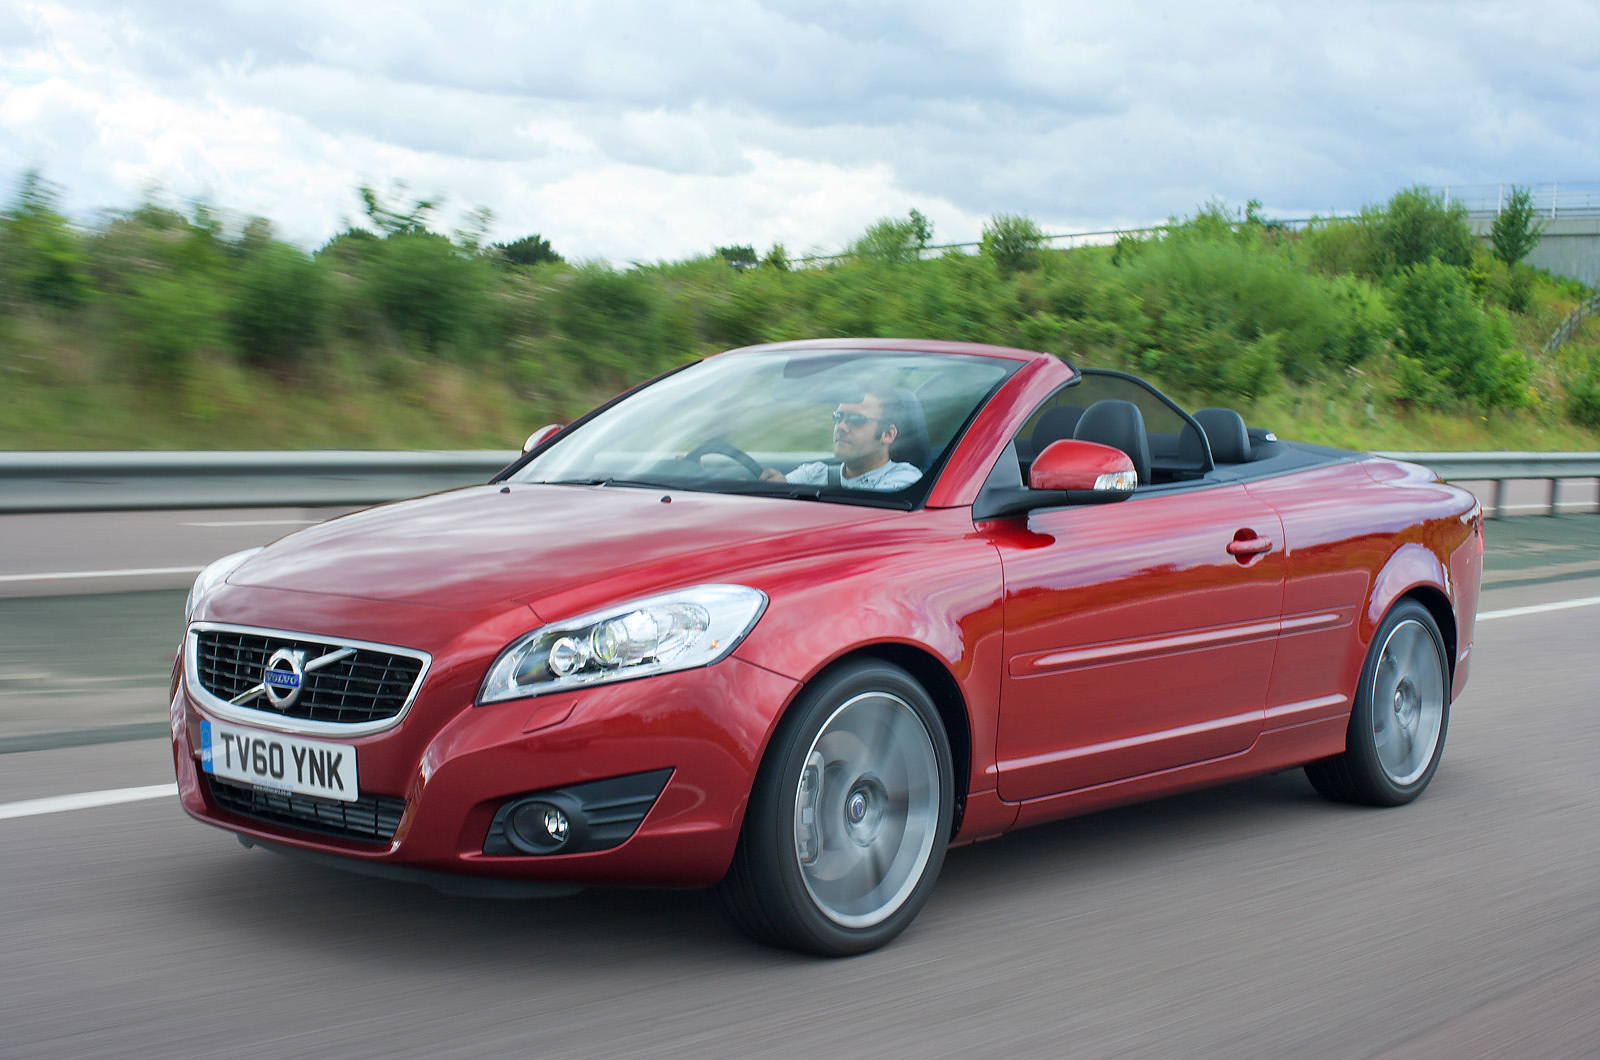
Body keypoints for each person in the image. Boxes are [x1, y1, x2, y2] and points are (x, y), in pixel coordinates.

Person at [761, 387, 922, 490]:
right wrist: (777, 488)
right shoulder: (813, 474)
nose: (841, 426)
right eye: (838, 417)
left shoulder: (904, 482)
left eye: (856, 420)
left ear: (888, 434)